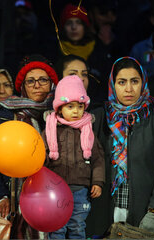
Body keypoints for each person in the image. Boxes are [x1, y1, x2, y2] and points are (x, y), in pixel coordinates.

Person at [0, 54, 59, 239]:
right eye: (31, 81)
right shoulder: (5, 113)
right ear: (22, 86)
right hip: (14, 212)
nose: (37, 85)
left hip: (56, 207)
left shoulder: (65, 113)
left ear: (53, 83)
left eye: (43, 80)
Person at [91, 57, 154, 234]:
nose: (129, 89)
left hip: (144, 212)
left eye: (134, 81)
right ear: (113, 85)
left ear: (143, 82)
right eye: (122, 82)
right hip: (103, 212)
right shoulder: (99, 117)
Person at [42, 75, 105, 239]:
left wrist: (97, 182)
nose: (76, 111)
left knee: (77, 226)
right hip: (55, 189)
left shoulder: (87, 130)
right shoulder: (50, 130)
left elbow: (98, 159)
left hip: (80, 189)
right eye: (70, 106)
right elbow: (41, 156)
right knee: (57, 226)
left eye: (80, 106)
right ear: (60, 108)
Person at [58, 3, 113, 96]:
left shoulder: (99, 50)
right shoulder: (55, 50)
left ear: (85, 26)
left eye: (78, 23)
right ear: (63, 27)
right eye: (69, 23)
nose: (74, 27)